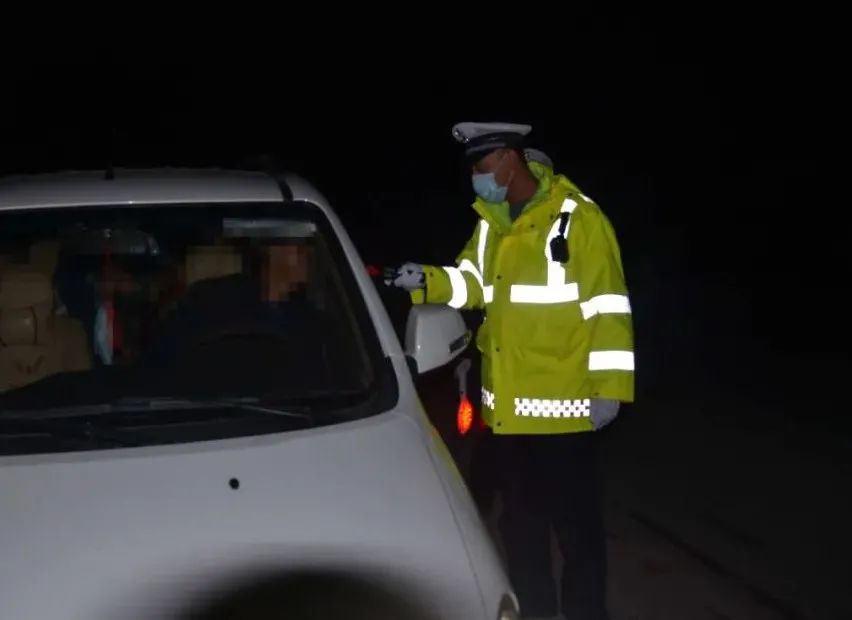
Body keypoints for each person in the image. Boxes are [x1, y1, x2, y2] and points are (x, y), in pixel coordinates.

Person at [386, 122, 634, 620]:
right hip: (507, 418)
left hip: (565, 415)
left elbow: (608, 306)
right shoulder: (491, 224)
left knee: (579, 538)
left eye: (481, 166)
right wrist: (426, 281)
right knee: (520, 533)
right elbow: (472, 284)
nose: (476, 179)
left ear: (507, 158)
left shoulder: (577, 219)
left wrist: (610, 388)